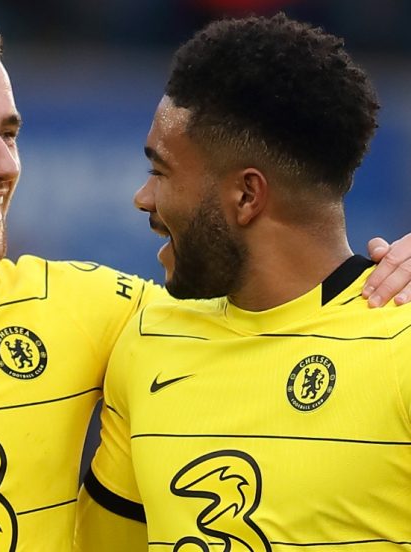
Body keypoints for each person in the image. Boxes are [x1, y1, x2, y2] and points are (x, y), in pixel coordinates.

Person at [0, 5, 408, 551]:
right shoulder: (140, 333)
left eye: (9, 133)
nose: (4, 164)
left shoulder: (95, 311)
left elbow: (279, 301)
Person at [75, 13, 411, 551]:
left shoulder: (400, 346)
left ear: (247, 196)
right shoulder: (147, 341)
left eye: (160, 172)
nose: (143, 198)